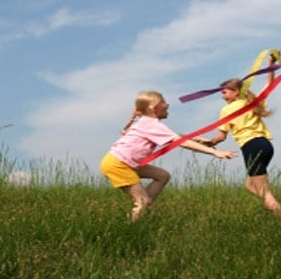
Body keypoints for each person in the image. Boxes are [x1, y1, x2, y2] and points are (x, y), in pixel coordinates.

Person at [100, 90, 237, 222]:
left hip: (125, 162)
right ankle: (133, 224)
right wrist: (214, 152)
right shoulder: (150, 124)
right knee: (143, 202)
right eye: (164, 102)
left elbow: (175, 137)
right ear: (154, 108)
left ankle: (144, 205)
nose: (168, 105)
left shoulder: (148, 123)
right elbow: (180, 142)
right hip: (118, 164)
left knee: (162, 176)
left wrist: (197, 139)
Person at [206, 53, 281, 214]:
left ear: (235, 92)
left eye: (224, 92)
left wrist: (209, 143)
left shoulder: (227, 110)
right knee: (249, 185)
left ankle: (280, 215)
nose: (222, 96)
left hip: (251, 147)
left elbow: (221, 136)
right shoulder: (251, 103)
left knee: (266, 192)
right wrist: (271, 63)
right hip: (266, 145)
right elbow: (269, 84)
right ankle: (271, 207)